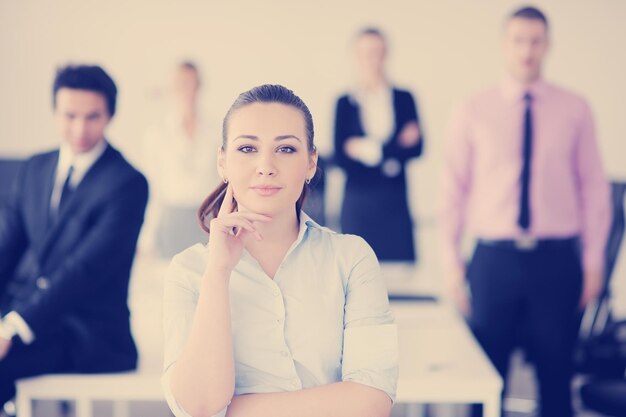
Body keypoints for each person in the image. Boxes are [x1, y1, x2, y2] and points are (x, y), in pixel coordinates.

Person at [162, 84, 397, 417]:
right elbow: (199, 405)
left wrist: (233, 410)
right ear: (222, 162)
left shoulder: (351, 258)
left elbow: (372, 403)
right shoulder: (189, 271)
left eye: (286, 149)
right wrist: (218, 272)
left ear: (311, 162)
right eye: (247, 149)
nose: (266, 166)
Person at [440, 6, 611, 417]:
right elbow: (452, 190)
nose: (527, 50)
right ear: (505, 45)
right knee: (485, 381)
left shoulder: (575, 109)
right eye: (518, 40)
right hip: (493, 260)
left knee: (555, 379)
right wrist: (449, 263)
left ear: (547, 45)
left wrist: (592, 263)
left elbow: (594, 189)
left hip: (557, 261)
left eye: (536, 41)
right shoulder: (473, 108)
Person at [0, 65, 148, 407]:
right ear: (55, 113)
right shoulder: (35, 167)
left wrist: (12, 326)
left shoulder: (128, 183)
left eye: (92, 116)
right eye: (70, 116)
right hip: (29, 313)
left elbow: (84, 271)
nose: (80, 128)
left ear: (110, 114)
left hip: (85, 331)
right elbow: (8, 245)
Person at [333, 27, 424, 262]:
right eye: (365, 53)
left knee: (399, 278)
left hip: (395, 203)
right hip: (359, 204)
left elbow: (417, 147)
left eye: (377, 52)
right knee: (356, 272)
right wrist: (392, 151)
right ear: (355, 57)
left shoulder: (404, 98)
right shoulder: (344, 102)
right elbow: (341, 158)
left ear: (386, 54)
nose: (372, 60)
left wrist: (365, 149)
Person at [140, 61, 218, 258]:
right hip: (171, 221)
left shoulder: (215, 133)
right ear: (172, 88)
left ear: (199, 86)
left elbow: (222, 183)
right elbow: (153, 187)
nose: (187, 90)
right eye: (181, 84)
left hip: (206, 219)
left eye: (192, 83)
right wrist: (146, 236)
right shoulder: (157, 135)